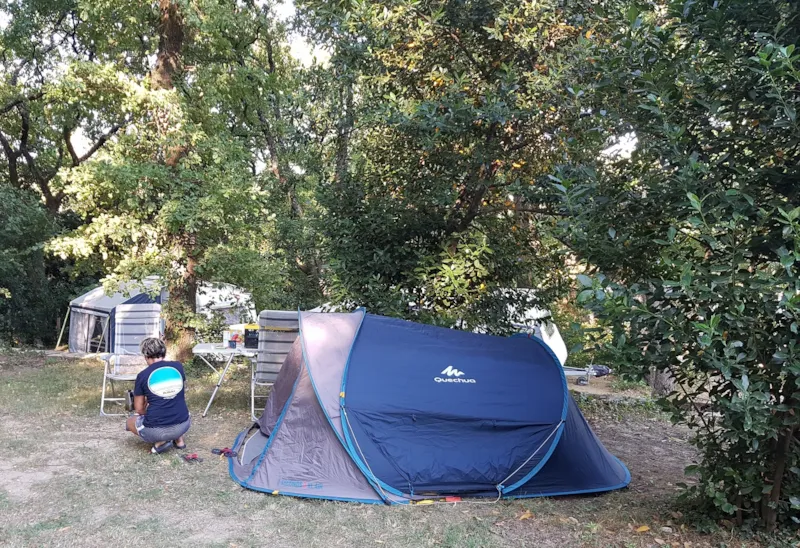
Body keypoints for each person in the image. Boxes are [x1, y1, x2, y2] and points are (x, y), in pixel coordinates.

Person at [125, 337, 191, 454]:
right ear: (164, 352)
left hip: (156, 430)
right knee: (174, 408)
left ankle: (161, 441)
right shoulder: (178, 367)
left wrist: (148, 410)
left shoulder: (143, 375)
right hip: (184, 423)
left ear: (145, 356)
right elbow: (177, 394)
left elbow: (139, 409)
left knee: (130, 422)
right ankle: (179, 440)